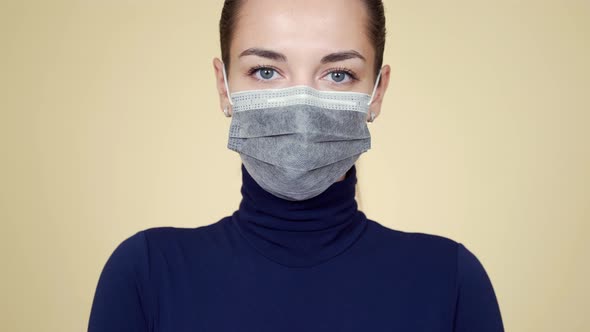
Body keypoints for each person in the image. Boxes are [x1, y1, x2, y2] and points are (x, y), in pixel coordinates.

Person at [88, 0, 505, 331]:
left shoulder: (449, 282)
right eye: (266, 71)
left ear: (376, 94)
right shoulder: (145, 274)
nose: (302, 103)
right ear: (224, 87)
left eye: (338, 74)